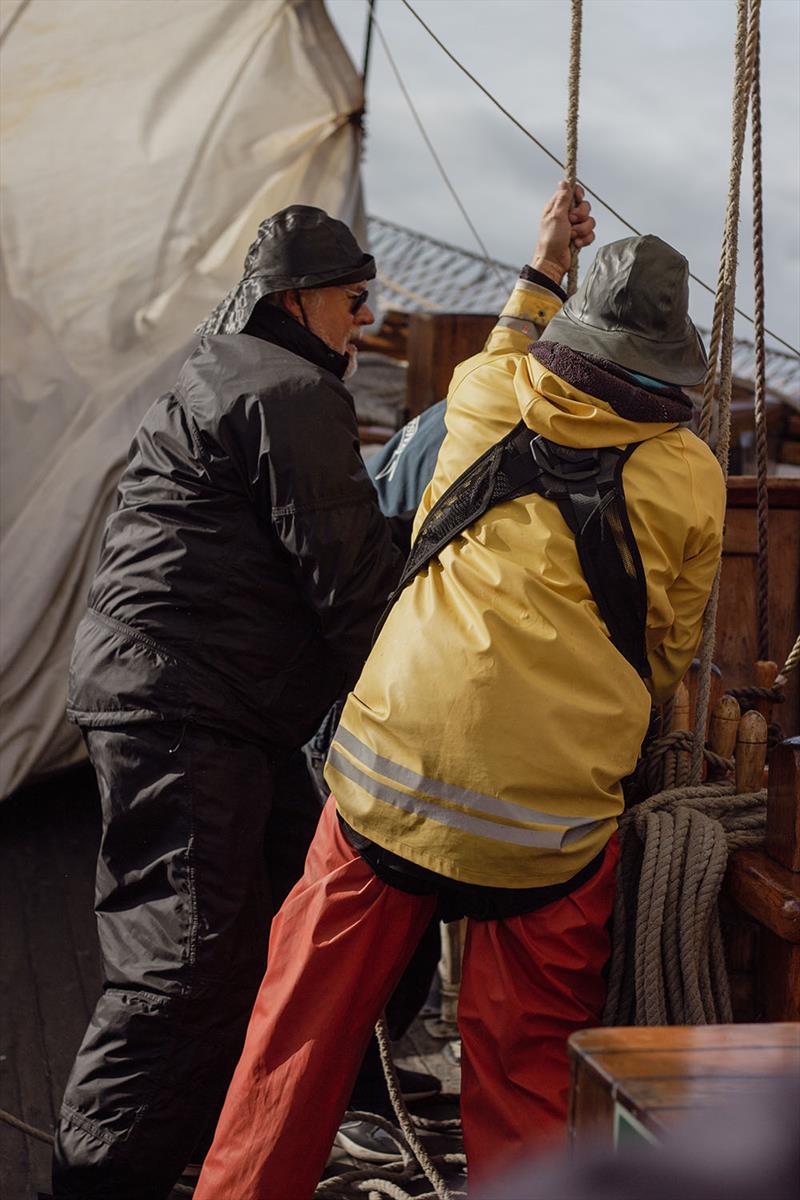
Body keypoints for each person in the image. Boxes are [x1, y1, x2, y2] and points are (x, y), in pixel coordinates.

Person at [193, 182, 726, 1200]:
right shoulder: (687, 476)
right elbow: (662, 654)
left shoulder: (485, 397)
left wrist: (541, 262)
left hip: (386, 783)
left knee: (293, 1045)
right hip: (546, 826)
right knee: (526, 1077)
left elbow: (510, 341)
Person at [52, 205, 420, 1200]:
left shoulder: (219, 366)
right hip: (188, 707)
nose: (363, 318)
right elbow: (350, 592)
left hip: (190, 698)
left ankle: (218, 1153)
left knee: (288, 917)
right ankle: (95, 1186)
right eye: (353, 300)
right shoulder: (293, 390)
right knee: (184, 966)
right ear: (297, 298)